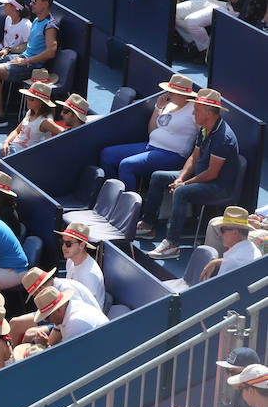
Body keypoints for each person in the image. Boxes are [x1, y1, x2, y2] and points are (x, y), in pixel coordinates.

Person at [137, 88, 240, 260]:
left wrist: (185, 184)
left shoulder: (224, 138)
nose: (193, 112)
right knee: (158, 176)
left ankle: (172, 244)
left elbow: (212, 173)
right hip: (201, 178)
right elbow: (194, 157)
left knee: (181, 192)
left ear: (209, 113)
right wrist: (180, 178)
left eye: (197, 109)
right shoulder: (204, 128)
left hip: (218, 187)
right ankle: (148, 225)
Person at [99, 73, 198, 190]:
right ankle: (113, 194)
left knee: (126, 165)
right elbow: (152, 131)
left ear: (182, 94)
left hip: (173, 155)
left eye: (171, 92)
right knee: (107, 155)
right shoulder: (168, 104)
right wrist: (158, 107)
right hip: (150, 147)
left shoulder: (194, 109)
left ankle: (127, 205)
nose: (168, 94)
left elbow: (203, 134)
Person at [0, 0, 59, 125]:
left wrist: (27, 61)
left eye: (35, 1)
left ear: (45, 4)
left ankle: (0, 115)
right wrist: (8, 49)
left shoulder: (50, 25)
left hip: (32, 66)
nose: (31, 3)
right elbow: (27, 45)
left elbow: (51, 51)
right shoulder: (36, 21)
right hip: (21, 58)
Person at [0, 81, 62, 156]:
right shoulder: (31, 112)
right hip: (11, 148)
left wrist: (43, 146)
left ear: (42, 102)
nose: (27, 100)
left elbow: (64, 133)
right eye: (27, 97)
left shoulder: (46, 121)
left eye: (31, 99)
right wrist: (6, 142)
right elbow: (17, 131)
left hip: (18, 155)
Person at [29, 286, 108, 347]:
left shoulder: (74, 324)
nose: (48, 321)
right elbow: (52, 342)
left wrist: (44, 346)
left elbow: (65, 360)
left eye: (47, 317)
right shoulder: (67, 309)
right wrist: (44, 344)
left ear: (58, 310)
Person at [199, 206, 261, 281]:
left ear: (235, 233)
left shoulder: (231, 262)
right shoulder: (253, 248)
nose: (219, 234)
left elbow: (218, 289)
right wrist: (216, 262)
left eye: (222, 230)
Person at [54, 222, 105, 309]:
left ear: (81, 245)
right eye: (62, 242)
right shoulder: (70, 260)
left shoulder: (89, 275)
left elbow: (88, 310)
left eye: (68, 244)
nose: (63, 247)